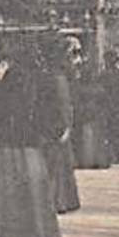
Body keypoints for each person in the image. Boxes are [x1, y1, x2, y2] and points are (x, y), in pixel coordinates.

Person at [0, 38, 66, 237]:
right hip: (23, 147)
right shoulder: (25, 78)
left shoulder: (16, 81)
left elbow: (15, 113)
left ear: (0, 63)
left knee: (5, 200)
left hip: (10, 146)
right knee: (28, 200)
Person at [39, 35, 81, 214]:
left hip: (52, 123)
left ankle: (59, 200)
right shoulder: (59, 77)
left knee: (57, 163)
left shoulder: (51, 74)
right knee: (59, 163)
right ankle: (61, 200)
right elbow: (64, 103)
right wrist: (66, 124)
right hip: (58, 124)